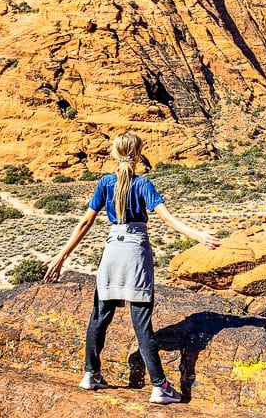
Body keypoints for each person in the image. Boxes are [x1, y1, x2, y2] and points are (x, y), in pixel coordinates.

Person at [42, 130, 220, 404]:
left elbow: (84, 224)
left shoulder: (104, 183)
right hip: (136, 251)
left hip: (113, 248)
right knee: (141, 322)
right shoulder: (143, 185)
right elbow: (168, 219)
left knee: (100, 316)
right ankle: (160, 387)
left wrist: (61, 257)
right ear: (138, 155)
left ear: (114, 154)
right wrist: (199, 236)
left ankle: (91, 374)